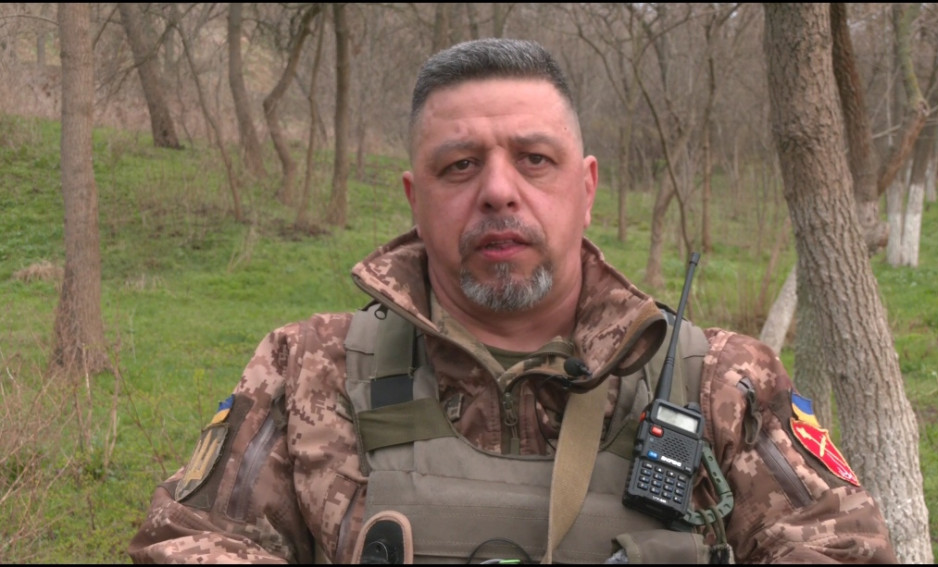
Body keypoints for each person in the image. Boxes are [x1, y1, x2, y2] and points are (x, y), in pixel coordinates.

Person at [128, 38, 897, 564]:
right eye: (460, 165)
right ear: (415, 198)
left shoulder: (719, 381)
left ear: (586, 188)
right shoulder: (308, 369)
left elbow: (844, 546)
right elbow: (192, 541)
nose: (499, 190)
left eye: (534, 159)